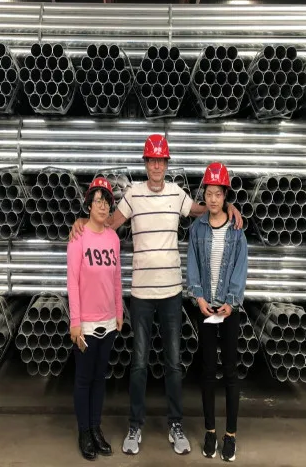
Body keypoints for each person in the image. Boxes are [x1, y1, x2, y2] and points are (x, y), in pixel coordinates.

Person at [71, 135, 242, 456]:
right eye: (151, 160)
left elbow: (202, 210)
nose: (156, 166)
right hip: (141, 294)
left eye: (161, 161)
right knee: (139, 363)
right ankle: (135, 426)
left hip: (171, 293)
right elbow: (109, 223)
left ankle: (176, 425)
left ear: (166, 164)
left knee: (173, 363)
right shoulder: (133, 195)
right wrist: (83, 219)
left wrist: (228, 205)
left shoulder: (177, 194)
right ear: (146, 163)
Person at [186, 162, 248, 463]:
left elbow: (240, 266)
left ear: (225, 196)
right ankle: (210, 431)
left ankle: (230, 435)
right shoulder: (197, 229)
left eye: (218, 194)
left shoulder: (236, 230)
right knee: (208, 370)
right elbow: (192, 264)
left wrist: (232, 302)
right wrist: (199, 298)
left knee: (231, 372)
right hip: (207, 308)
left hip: (228, 309)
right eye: (208, 193)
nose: (212, 199)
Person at [67, 177, 123, 461]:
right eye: (97, 201)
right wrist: (75, 321)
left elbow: (116, 278)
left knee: (100, 378)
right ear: (88, 205)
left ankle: (96, 427)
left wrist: (119, 312)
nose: (102, 206)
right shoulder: (78, 238)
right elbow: (73, 282)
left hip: (108, 321)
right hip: (86, 324)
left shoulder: (113, 239)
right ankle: (84, 432)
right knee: (84, 379)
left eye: (106, 202)